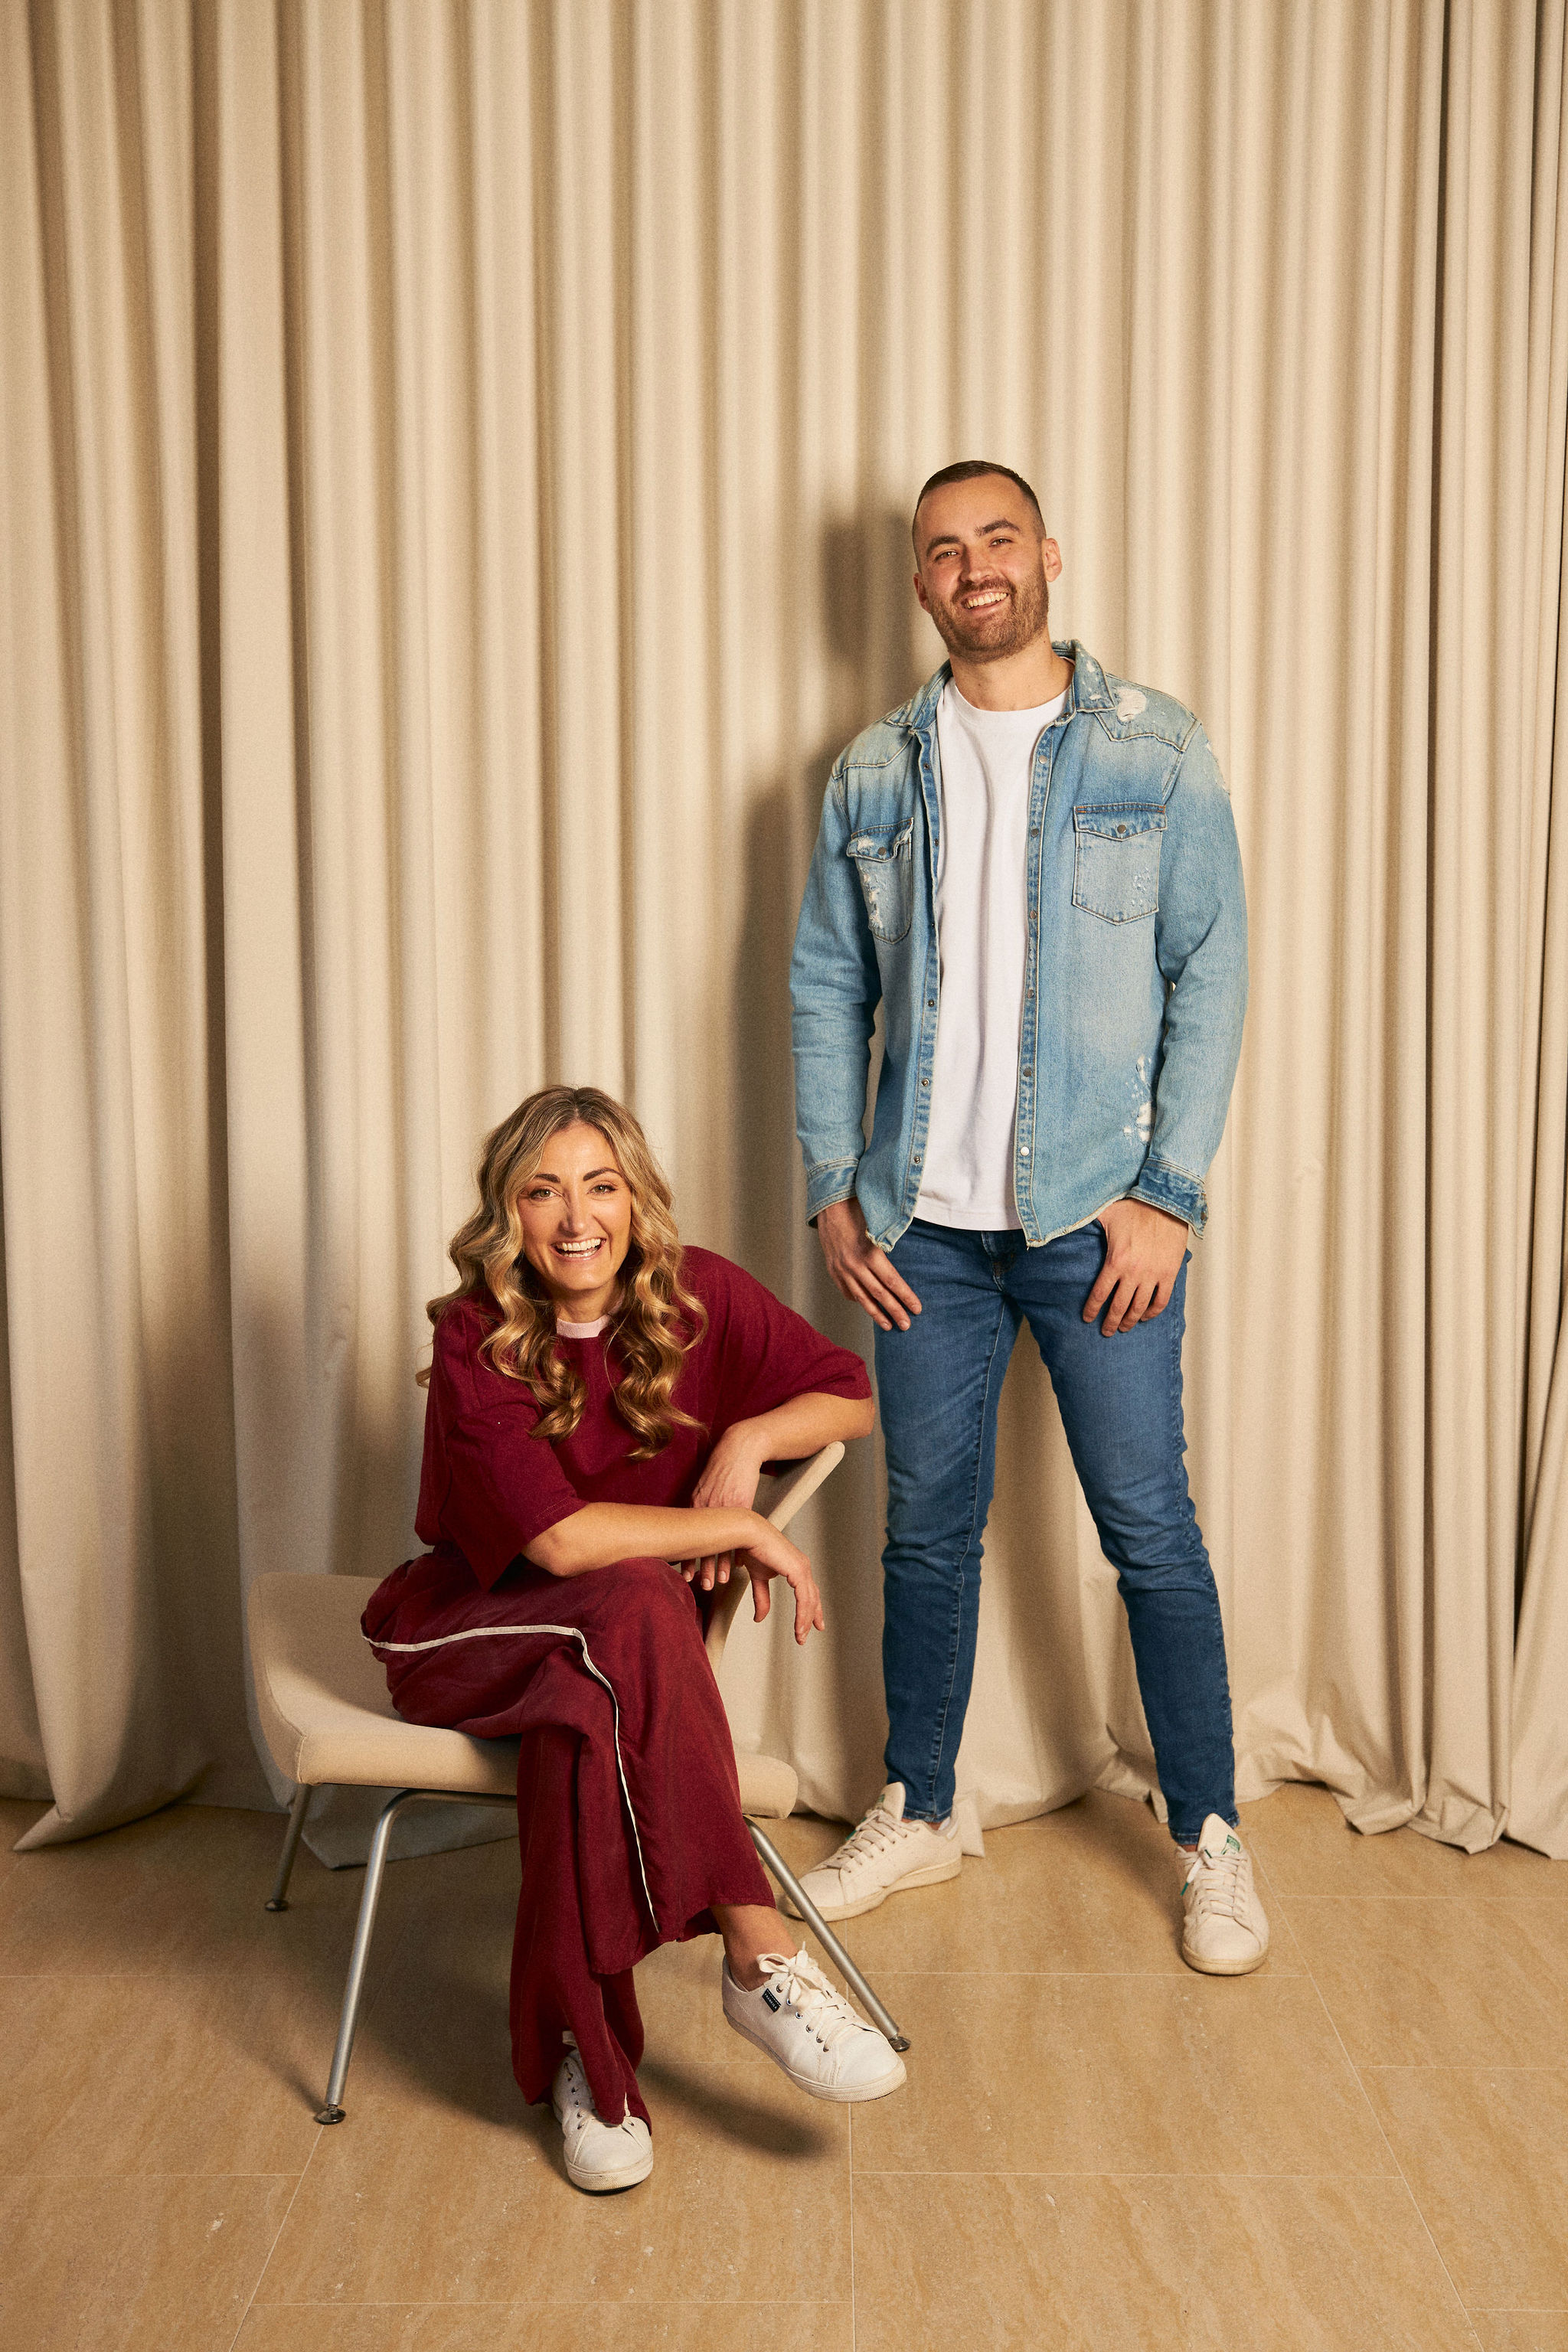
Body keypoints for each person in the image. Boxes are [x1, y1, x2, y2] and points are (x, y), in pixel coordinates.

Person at [787, 459, 1268, 1975]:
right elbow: (822, 992)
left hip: (1092, 1223)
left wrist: (1165, 1198)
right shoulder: (871, 772)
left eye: (997, 537)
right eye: (943, 549)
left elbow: (1214, 976)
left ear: (1047, 555)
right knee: (925, 1530)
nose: (972, 566)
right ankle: (923, 1804)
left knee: (1148, 1529)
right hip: (921, 1228)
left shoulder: (1153, 747)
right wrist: (829, 1188)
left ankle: (1209, 1832)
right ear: (920, 583)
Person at [363, 1085, 904, 2195]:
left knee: (585, 1721)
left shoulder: (695, 1297)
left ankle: (589, 2069)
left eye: (600, 1187)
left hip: (604, 1667)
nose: (576, 1219)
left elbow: (848, 1395)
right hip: (462, 1634)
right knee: (635, 1601)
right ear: (505, 1212)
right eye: (543, 1190)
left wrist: (750, 1436)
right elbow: (560, 1545)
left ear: (635, 1200)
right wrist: (739, 1527)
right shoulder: (475, 1336)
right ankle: (759, 1951)